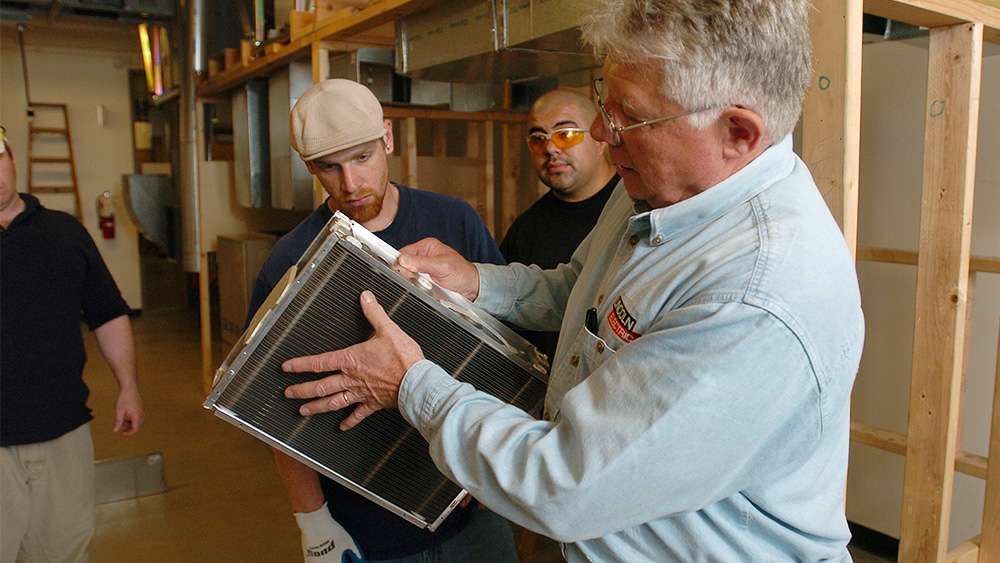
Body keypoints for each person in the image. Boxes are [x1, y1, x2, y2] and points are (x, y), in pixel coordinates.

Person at [279, 1, 866, 561]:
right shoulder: (654, 184)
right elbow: (578, 290)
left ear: (737, 132)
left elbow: (563, 482)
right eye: (602, 105)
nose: (603, 136)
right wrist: (479, 282)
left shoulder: (758, 299)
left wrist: (410, 384)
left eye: (629, 117)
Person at [246, 79, 517, 563]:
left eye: (363, 158)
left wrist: (498, 458)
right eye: (329, 167)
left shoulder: (454, 222)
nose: (350, 183)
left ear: (387, 139)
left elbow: (505, 348)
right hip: (368, 518)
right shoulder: (289, 260)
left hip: (472, 502)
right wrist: (314, 524)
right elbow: (275, 408)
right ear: (309, 166)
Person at [1, 125, 146, 562]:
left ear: (11, 159)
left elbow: (108, 313)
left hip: (63, 430)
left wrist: (129, 386)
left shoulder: (63, 232)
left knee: (62, 551)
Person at [500, 88, 619, 362]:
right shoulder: (525, 230)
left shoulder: (630, 207)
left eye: (565, 135)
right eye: (538, 138)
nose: (550, 148)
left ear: (600, 140)